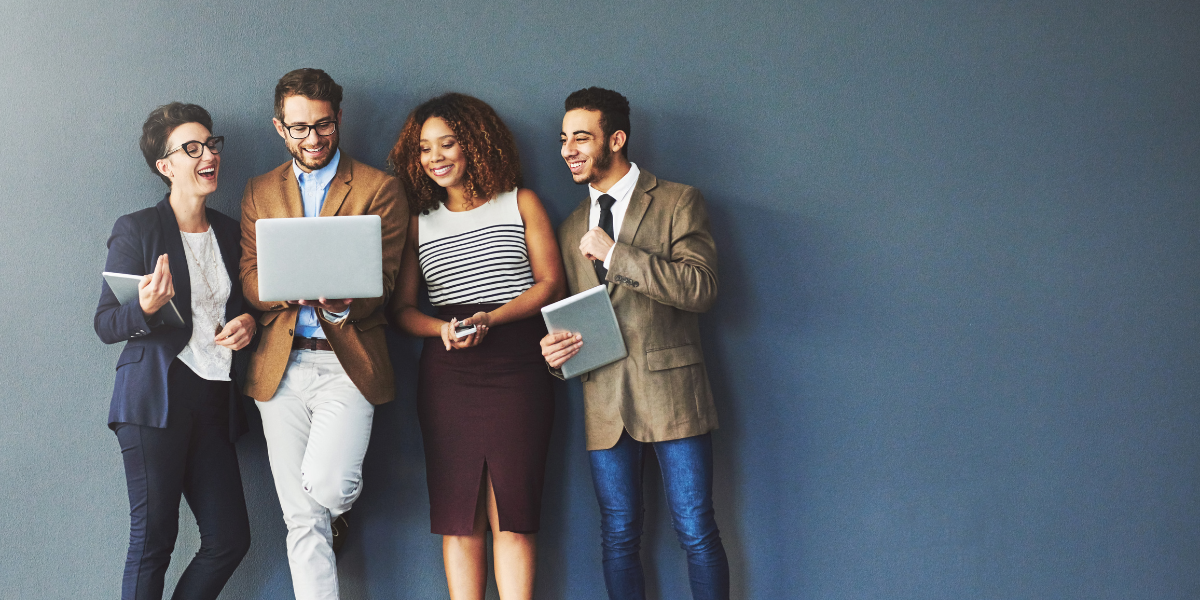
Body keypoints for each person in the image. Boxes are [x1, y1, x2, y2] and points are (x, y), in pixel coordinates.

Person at [539, 87, 730, 600]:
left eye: (581, 137)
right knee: (618, 537)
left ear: (616, 139)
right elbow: (574, 319)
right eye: (564, 139)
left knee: (695, 530)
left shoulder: (677, 201)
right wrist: (557, 358)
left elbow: (702, 289)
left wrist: (617, 254)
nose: (568, 150)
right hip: (604, 401)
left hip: (674, 395)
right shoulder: (569, 226)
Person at [386, 93, 565, 600]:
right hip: (449, 374)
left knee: (514, 513)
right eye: (424, 148)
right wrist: (440, 330)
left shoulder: (520, 201)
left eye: (448, 143)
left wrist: (493, 318)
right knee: (458, 516)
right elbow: (402, 311)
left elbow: (551, 283)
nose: (435, 157)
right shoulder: (418, 221)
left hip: (520, 366)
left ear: (477, 145)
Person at [238, 68, 407, 600]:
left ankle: (337, 510)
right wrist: (292, 290)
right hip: (280, 366)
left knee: (327, 489)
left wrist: (343, 302)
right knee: (300, 519)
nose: (313, 139)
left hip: (347, 360)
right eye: (299, 128)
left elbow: (385, 280)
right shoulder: (259, 190)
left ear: (339, 118)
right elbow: (249, 276)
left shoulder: (379, 187)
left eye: (324, 125)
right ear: (278, 127)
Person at [95, 102, 254, 600]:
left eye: (211, 145)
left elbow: (250, 306)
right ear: (165, 166)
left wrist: (250, 322)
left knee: (230, 539)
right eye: (191, 148)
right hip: (154, 401)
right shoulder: (138, 228)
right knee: (153, 542)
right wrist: (144, 308)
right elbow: (104, 324)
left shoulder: (232, 232)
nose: (207, 154)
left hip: (214, 400)